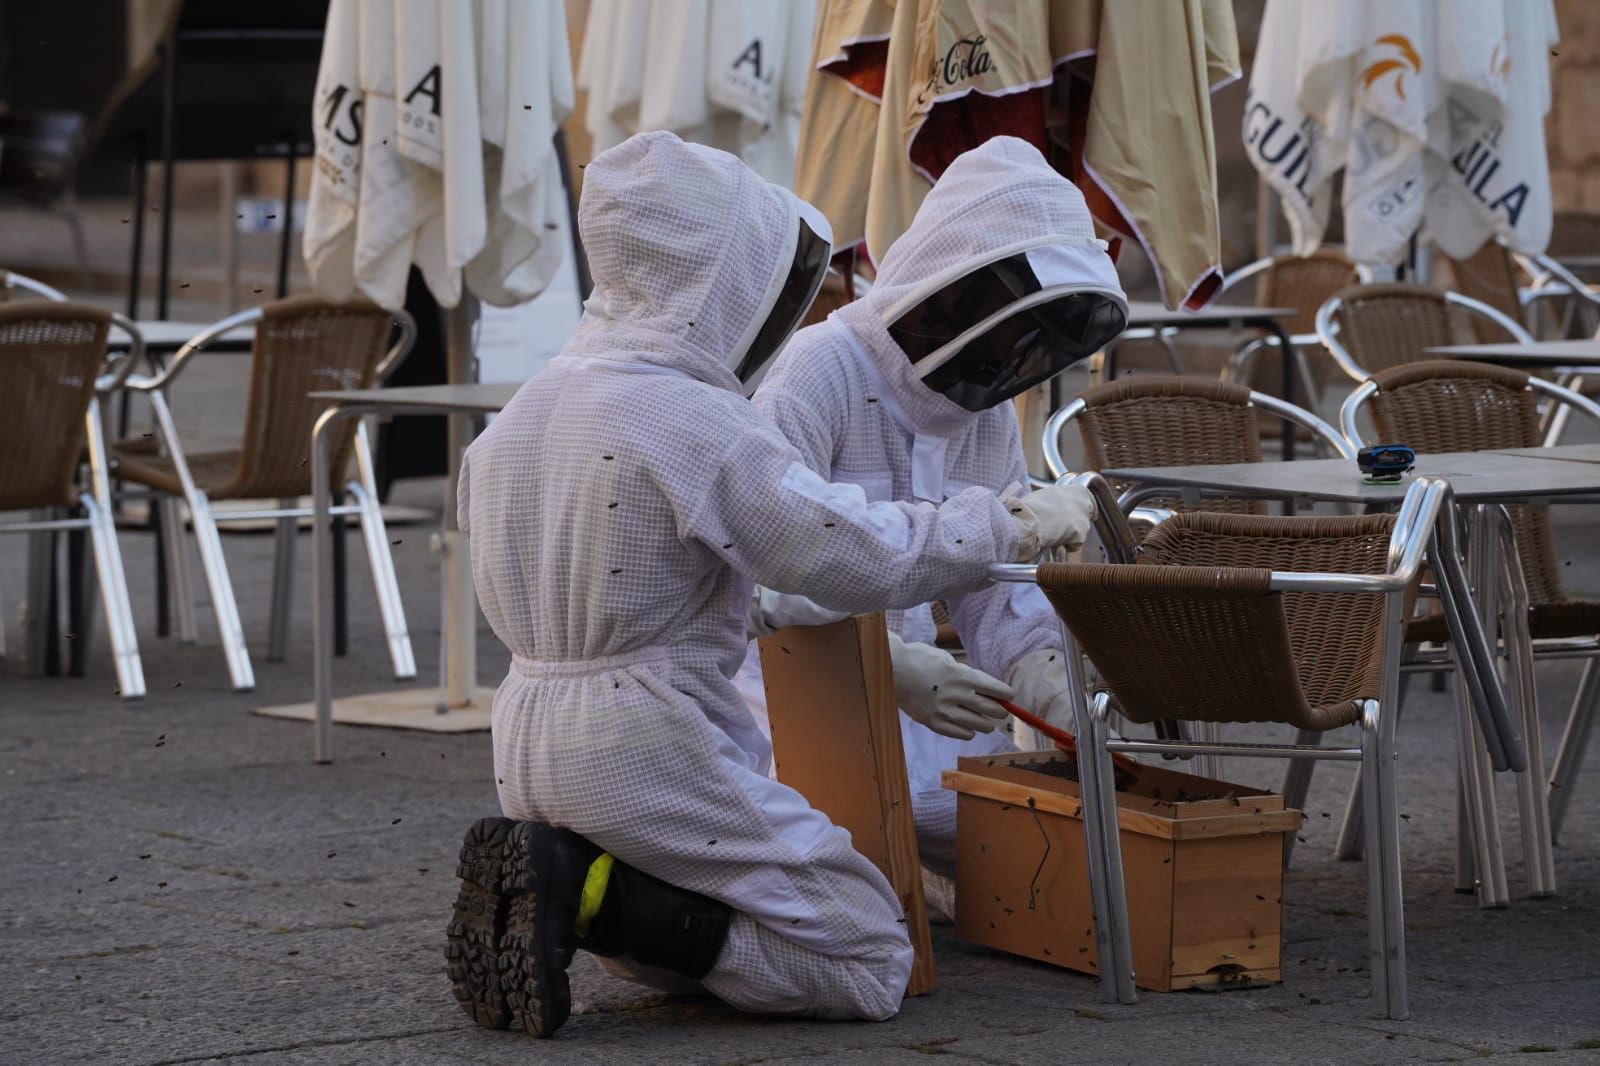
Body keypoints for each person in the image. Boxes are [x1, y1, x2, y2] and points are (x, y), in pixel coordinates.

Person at [448, 131, 1099, 1038]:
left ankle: (571, 884)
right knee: (872, 953)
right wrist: (1012, 523)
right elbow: (837, 550)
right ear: (722, 276)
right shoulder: (689, 417)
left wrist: (1036, 665)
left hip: (525, 730)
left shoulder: (526, 409)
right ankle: (595, 901)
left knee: (747, 901)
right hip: (656, 732)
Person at [739, 136, 1129, 875]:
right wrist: (886, 666)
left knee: (1059, 844)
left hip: (928, 721)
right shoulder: (818, 373)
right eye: (1011, 320)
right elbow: (764, 575)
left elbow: (994, 596)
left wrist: (1043, 674)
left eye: (1031, 335)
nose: (1013, 348)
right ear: (954, 286)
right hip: (790, 717)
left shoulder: (981, 416)